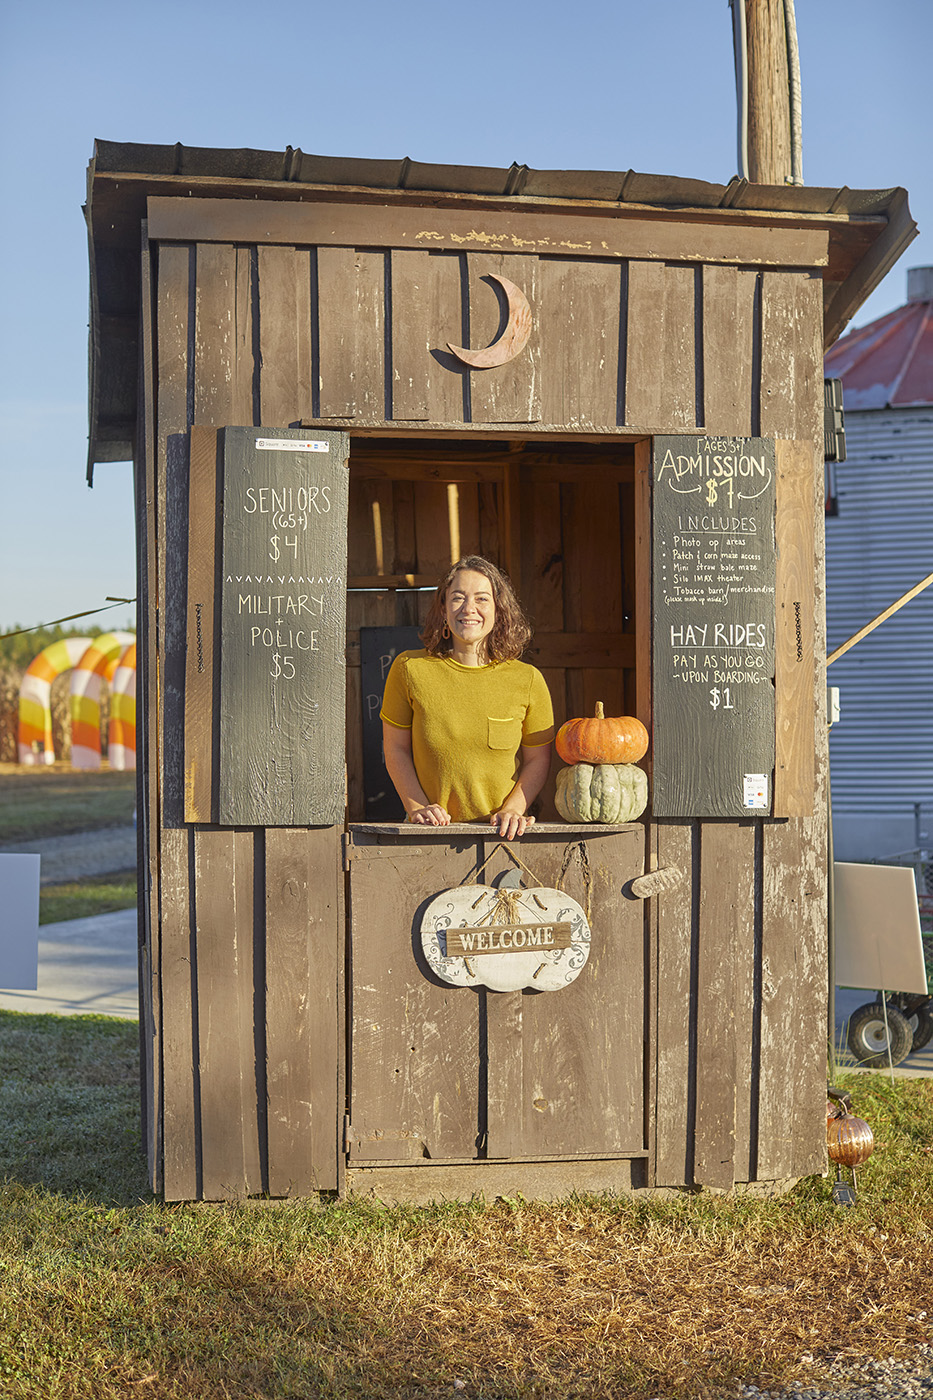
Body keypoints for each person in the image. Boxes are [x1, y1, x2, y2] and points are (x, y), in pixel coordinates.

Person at [380, 555, 554, 840]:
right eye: (458, 598)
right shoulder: (409, 669)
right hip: (430, 835)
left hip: (505, 837)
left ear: (499, 609)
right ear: (443, 608)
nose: (469, 608)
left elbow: (538, 759)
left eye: (482, 599)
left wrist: (513, 810)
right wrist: (417, 807)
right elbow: (395, 749)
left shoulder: (527, 679)